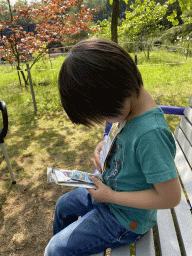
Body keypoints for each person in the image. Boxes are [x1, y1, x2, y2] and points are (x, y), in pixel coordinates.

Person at [44, 37, 181, 256]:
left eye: (103, 115)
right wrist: (102, 147)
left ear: (117, 94)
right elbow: (123, 139)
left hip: (127, 218)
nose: (104, 121)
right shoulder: (129, 107)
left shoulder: (150, 134)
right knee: (63, 206)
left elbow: (171, 197)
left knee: (55, 250)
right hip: (109, 192)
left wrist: (110, 197)